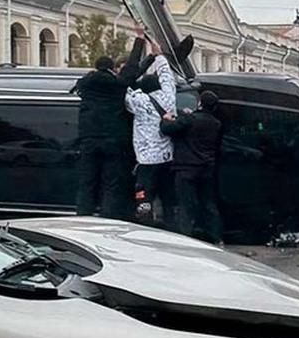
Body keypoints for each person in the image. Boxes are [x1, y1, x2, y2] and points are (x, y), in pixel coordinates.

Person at [72, 37, 145, 218]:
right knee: (110, 183)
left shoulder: (85, 85)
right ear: (112, 68)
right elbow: (132, 69)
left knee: (87, 181)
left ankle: (83, 216)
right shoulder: (117, 85)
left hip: (88, 139)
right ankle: (107, 216)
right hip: (113, 139)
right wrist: (140, 41)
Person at [125, 37, 178, 227]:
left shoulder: (137, 101)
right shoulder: (169, 97)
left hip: (146, 162)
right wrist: (159, 56)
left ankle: (145, 224)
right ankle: (172, 226)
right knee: (168, 198)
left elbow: (124, 83)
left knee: (144, 197)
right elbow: (167, 76)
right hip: (167, 159)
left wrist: (144, 58)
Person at [160, 90, 223, 243]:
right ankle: (216, 237)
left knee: (186, 205)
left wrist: (166, 119)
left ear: (199, 103)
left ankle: (185, 238)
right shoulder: (216, 123)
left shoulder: (190, 119)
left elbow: (167, 129)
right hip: (206, 168)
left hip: (186, 168)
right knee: (208, 204)